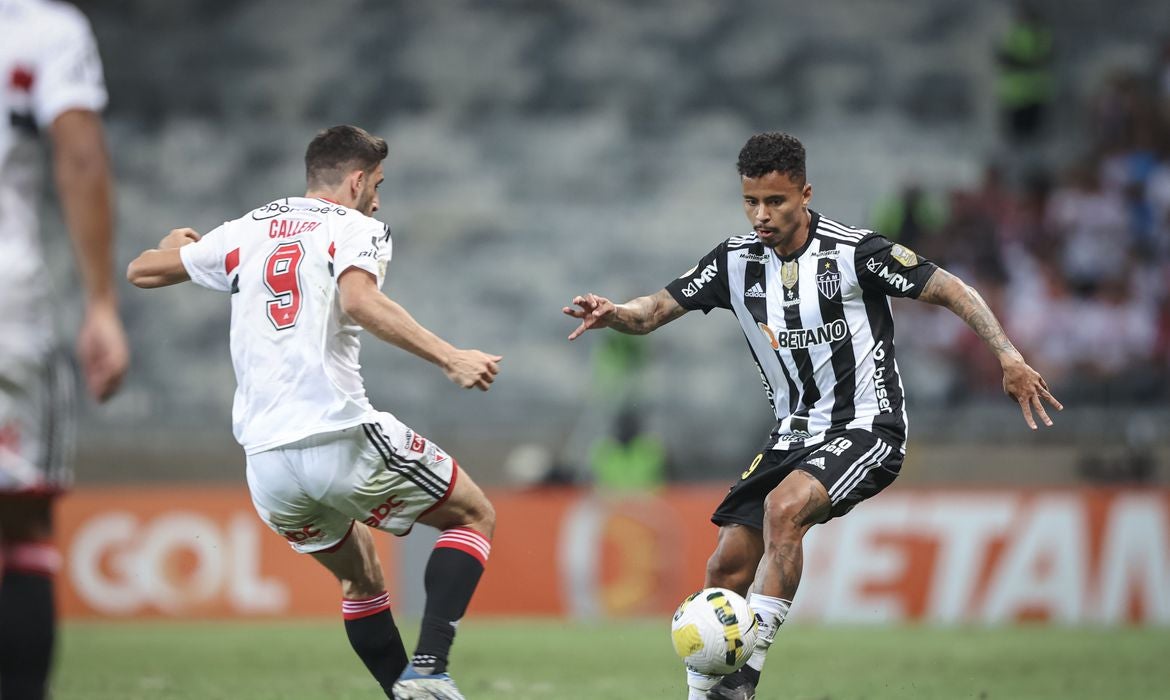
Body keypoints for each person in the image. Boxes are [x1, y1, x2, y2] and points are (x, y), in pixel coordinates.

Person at [563, 132, 1062, 700]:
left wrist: (1008, 355)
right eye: (751, 201)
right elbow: (653, 311)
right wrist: (614, 313)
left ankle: (744, 676)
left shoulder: (855, 253)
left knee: (784, 509)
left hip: (866, 427)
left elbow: (951, 288)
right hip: (790, 436)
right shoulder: (734, 262)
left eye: (775, 201)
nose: (761, 215)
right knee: (726, 566)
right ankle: (704, 696)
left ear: (804, 193)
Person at [127, 125, 500, 700]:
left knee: (361, 576)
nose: (377, 199)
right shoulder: (356, 227)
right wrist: (450, 357)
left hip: (267, 465)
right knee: (472, 516)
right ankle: (427, 669)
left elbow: (141, 271)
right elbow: (358, 299)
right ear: (356, 181)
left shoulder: (247, 229)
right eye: (376, 185)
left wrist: (174, 245)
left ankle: (405, 693)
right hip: (336, 433)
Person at [0, 2, 130, 698]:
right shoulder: (43, 29)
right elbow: (79, 152)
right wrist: (101, 303)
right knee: (19, 514)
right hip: (5, 298)